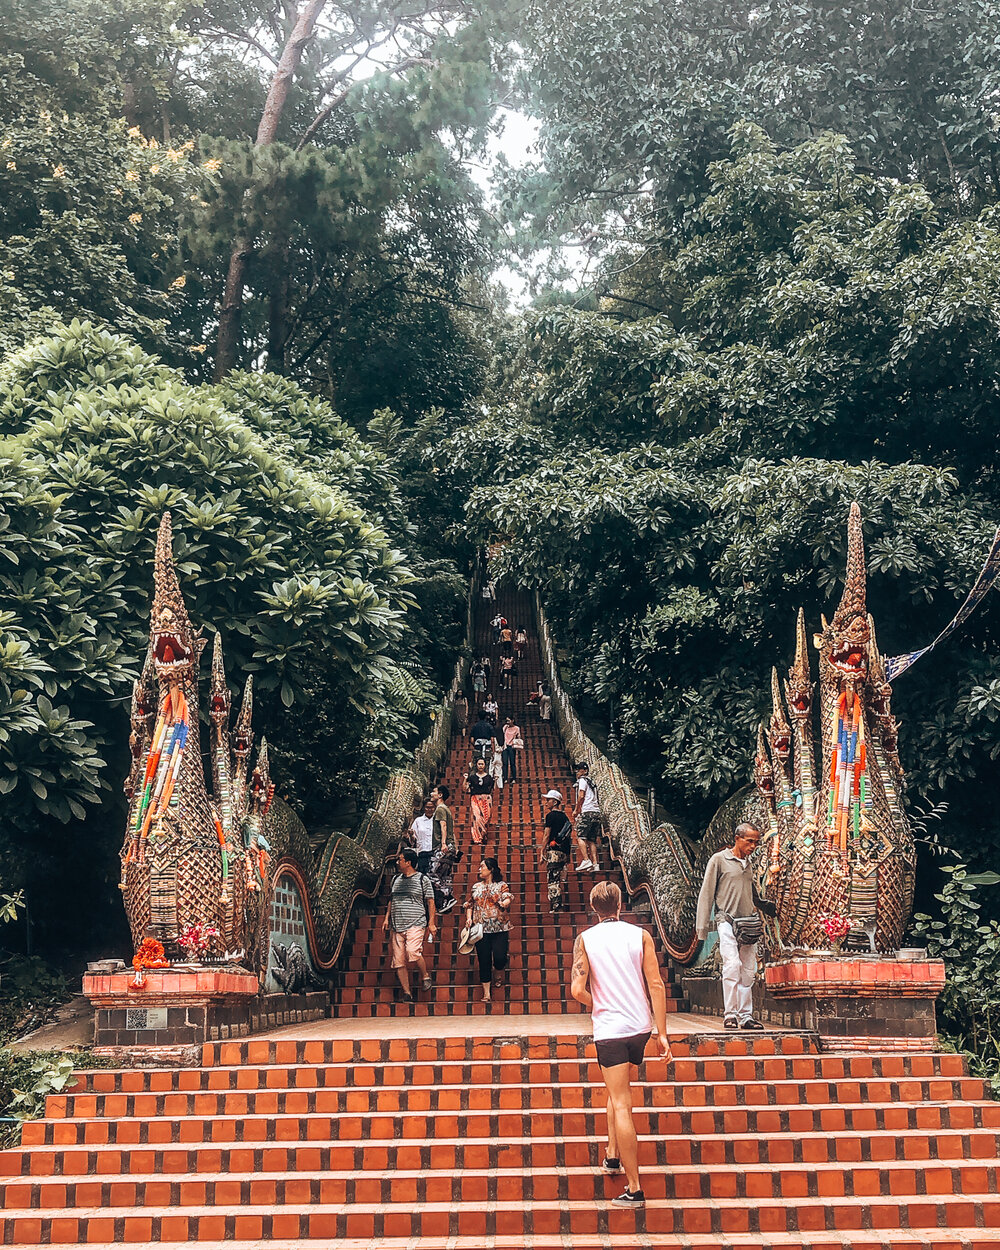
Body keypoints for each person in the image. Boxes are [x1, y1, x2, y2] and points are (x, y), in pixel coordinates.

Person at [570, 881, 671, 1207]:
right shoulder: (640, 935)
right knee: (619, 1091)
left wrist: (598, 1002)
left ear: (593, 907)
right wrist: (662, 1033)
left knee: (621, 1101)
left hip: (611, 1030)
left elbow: (577, 989)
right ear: (619, 904)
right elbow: (655, 984)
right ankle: (612, 1154)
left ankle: (634, 1188)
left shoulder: (585, 939)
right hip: (640, 1027)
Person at [695, 822, 776, 1030]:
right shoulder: (719, 860)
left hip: (748, 923)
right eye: (749, 841)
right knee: (732, 966)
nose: (753, 846)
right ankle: (730, 1015)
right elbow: (706, 893)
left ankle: (746, 1017)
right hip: (727, 921)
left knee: (748, 971)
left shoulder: (748, 863)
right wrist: (701, 928)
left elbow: (751, 891)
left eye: (756, 843)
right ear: (737, 838)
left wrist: (766, 907)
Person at [382, 848, 437, 1002]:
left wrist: (431, 923)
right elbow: (391, 900)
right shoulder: (395, 880)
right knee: (398, 960)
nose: (397, 862)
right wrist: (387, 918)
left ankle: (425, 975)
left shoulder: (422, 879)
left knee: (413, 952)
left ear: (408, 862)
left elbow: (430, 901)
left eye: (400, 859)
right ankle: (407, 993)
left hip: (416, 922)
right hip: (397, 924)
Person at [465, 857, 512, 1004]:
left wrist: (503, 903)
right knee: (484, 960)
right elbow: (470, 904)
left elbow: (507, 898)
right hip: (481, 929)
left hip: (499, 927)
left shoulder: (501, 885)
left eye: (482, 867)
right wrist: (469, 918)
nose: (480, 869)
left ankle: (498, 971)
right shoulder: (476, 887)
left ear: (491, 869)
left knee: (500, 957)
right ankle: (486, 993)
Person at [539, 789, 573, 912]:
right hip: (563, 851)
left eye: (548, 800)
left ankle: (557, 906)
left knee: (553, 879)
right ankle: (557, 904)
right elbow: (568, 837)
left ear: (555, 802)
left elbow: (546, 835)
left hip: (553, 851)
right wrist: (568, 855)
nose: (546, 802)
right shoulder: (565, 817)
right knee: (558, 878)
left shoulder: (550, 816)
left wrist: (542, 851)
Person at [429, 784, 458, 914]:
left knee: (432, 874)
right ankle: (447, 901)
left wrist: (443, 843)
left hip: (443, 846)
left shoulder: (440, 809)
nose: (431, 794)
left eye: (433, 792)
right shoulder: (446, 809)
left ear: (440, 795)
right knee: (445, 875)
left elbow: (444, 826)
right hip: (451, 846)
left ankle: (447, 896)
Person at [573, 760, 602, 872]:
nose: (577, 772)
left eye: (579, 770)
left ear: (585, 771)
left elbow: (581, 796)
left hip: (587, 812)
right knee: (591, 840)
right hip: (596, 812)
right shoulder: (592, 782)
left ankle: (586, 860)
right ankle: (595, 864)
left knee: (580, 836)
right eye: (576, 770)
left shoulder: (582, 780)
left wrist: (576, 810)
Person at [464, 755, 495, 844]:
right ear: (476, 765)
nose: (480, 766)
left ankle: (483, 835)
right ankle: (477, 838)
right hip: (475, 799)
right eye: (479, 764)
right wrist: (465, 779)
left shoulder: (489, 777)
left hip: (486, 799)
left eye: (482, 764)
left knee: (486, 818)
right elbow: (465, 788)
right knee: (477, 818)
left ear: (485, 765)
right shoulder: (472, 777)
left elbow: (493, 789)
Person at [407, 796, 436, 872]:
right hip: (422, 852)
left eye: (432, 807)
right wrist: (411, 835)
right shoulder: (418, 821)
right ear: (423, 808)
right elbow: (413, 840)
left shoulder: (437, 820)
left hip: (435, 852)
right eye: (427, 807)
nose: (429, 809)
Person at [502, 715, 522, 783]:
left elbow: (518, 736)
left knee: (512, 762)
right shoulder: (505, 727)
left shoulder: (516, 728)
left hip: (512, 746)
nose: (507, 722)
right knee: (505, 763)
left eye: (509, 720)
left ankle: (513, 778)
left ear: (512, 720)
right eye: (506, 721)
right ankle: (505, 778)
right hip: (505, 746)